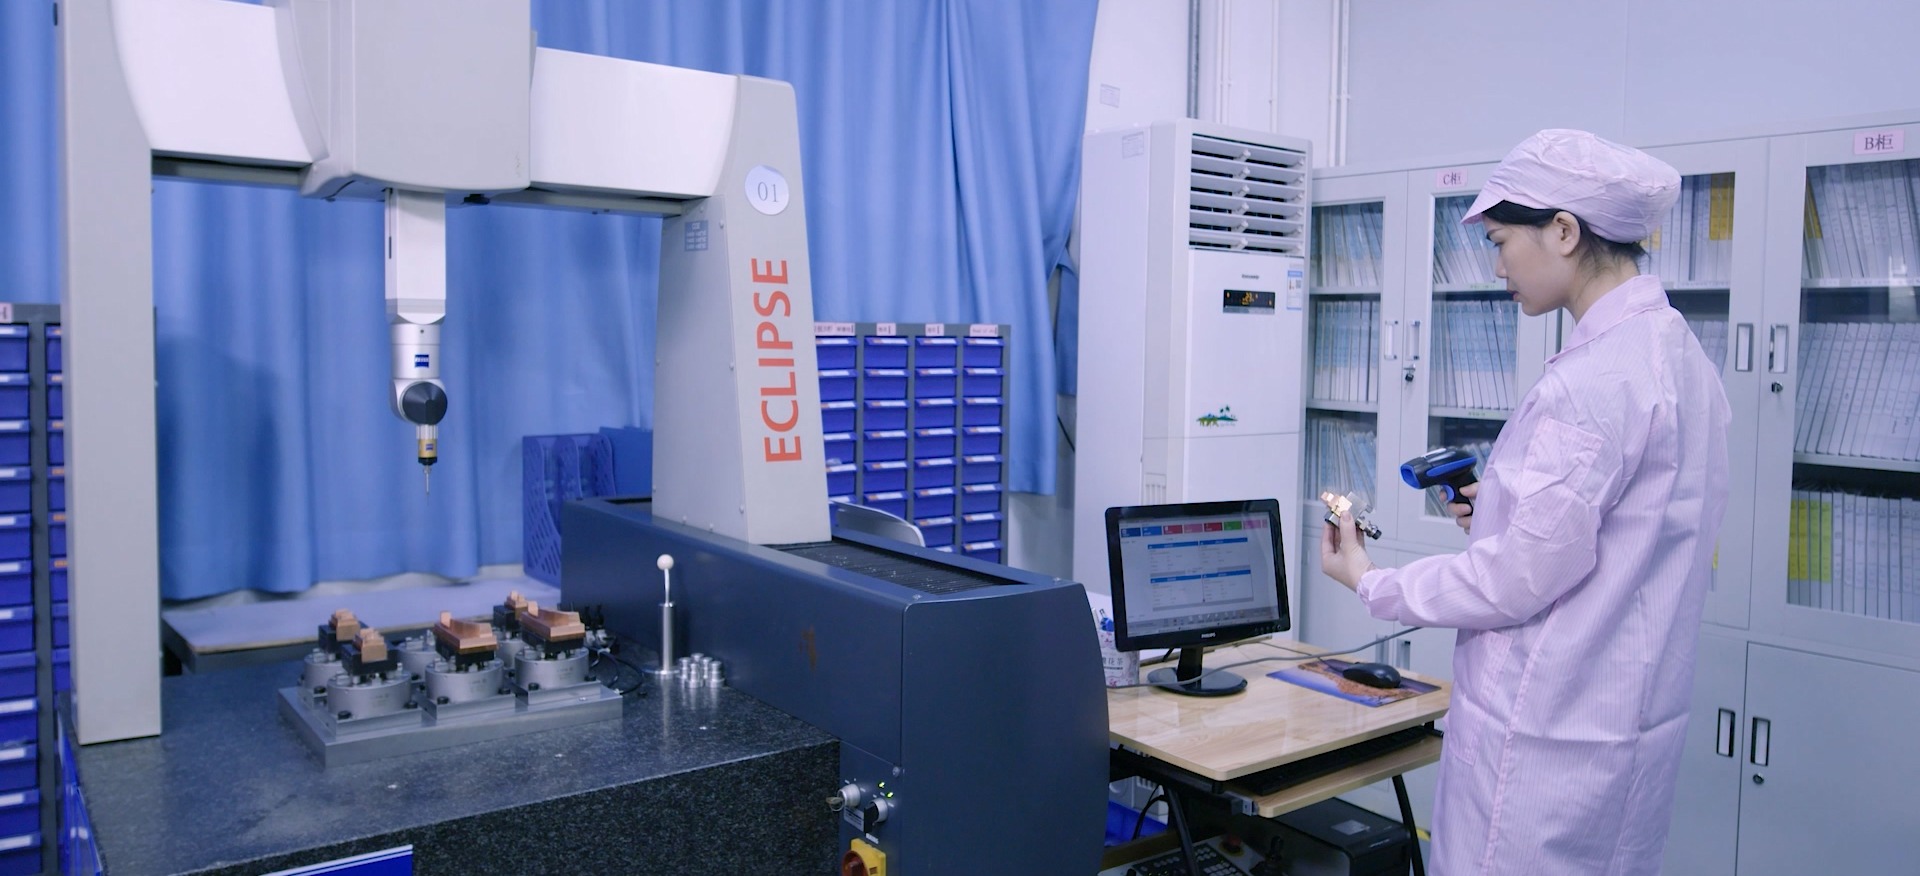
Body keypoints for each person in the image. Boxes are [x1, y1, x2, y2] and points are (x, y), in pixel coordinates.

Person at [1319, 129, 1731, 876]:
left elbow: (1513, 581)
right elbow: (1620, 534)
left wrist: (1371, 581)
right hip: (1620, 733)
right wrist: (1504, 512)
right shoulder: (1680, 357)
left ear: (1564, 231)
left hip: (1543, 743)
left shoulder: (1591, 383)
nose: (1498, 264)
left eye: (1502, 240)